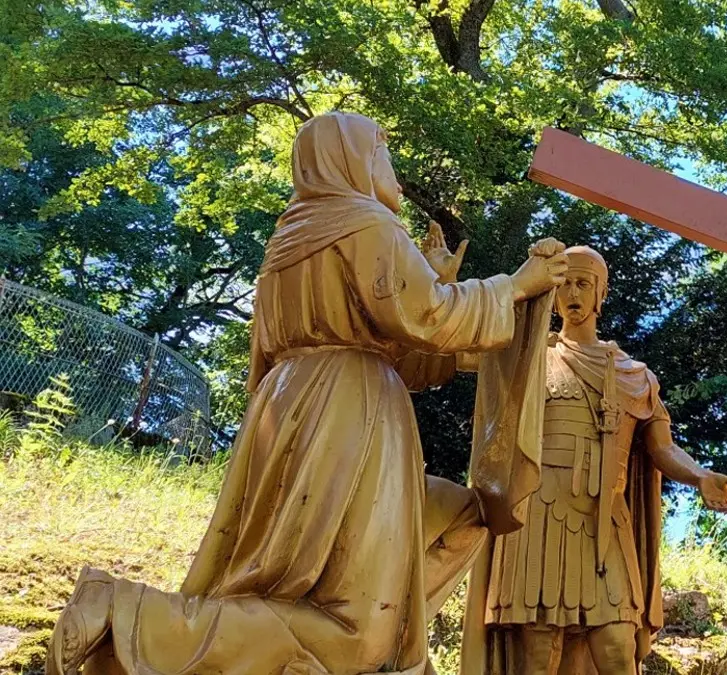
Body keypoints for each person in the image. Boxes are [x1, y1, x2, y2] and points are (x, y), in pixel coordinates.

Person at [46, 111, 568, 675]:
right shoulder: (365, 224)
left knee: (445, 526)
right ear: (353, 159)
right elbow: (430, 317)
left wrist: (436, 281)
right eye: (383, 152)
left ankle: (155, 633)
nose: (391, 168)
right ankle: (129, 614)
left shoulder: (290, 241)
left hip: (289, 407)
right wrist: (514, 287)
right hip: (350, 410)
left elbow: (398, 341)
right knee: (352, 626)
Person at [459, 245, 727, 675]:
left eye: (583, 283)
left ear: (601, 293)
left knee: (616, 645)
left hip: (604, 521)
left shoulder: (634, 375)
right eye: (564, 283)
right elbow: (460, 348)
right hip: (538, 515)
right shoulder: (528, 359)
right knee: (537, 653)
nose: (573, 292)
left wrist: (700, 476)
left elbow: (661, 447)